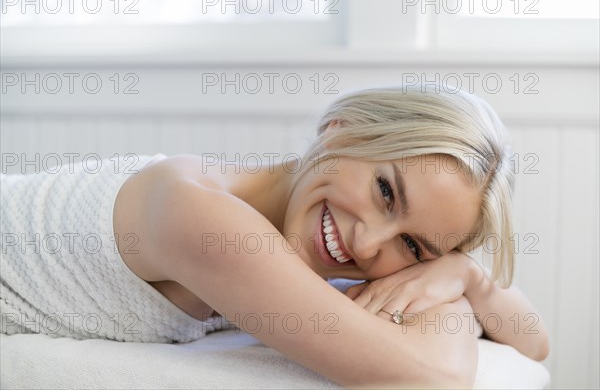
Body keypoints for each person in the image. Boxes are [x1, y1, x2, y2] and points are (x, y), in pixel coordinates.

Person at [1, 86, 549, 388]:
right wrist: (451, 283)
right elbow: (432, 378)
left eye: (412, 246)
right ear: (344, 128)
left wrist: (466, 275)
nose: (366, 243)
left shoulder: (302, 250)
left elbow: (533, 343)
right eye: (386, 191)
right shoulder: (203, 216)